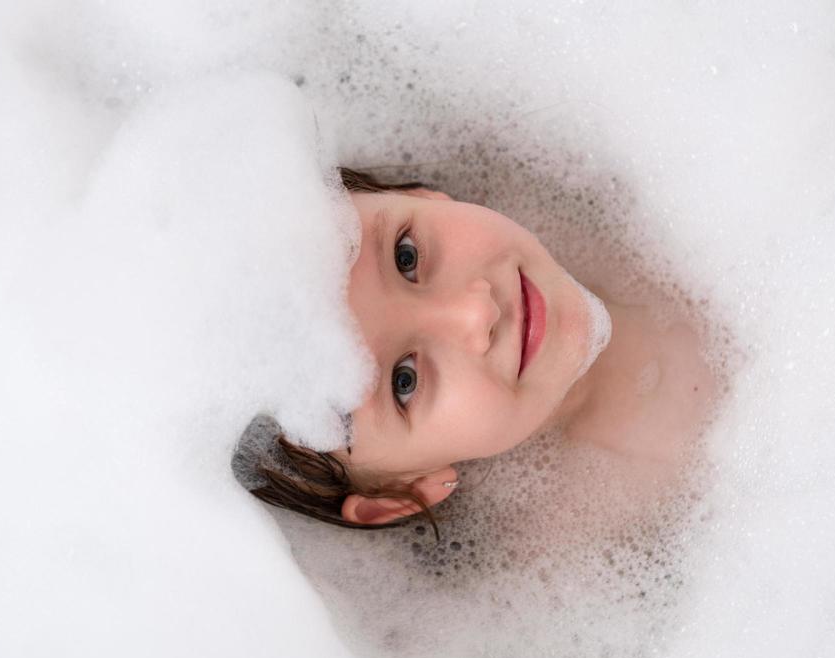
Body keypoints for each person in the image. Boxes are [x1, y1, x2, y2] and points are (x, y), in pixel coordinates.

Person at [240, 167, 717, 533]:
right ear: (404, 493)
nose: (476, 314)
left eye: (406, 257)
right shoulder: (606, 558)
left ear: (417, 197)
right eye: (403, 381)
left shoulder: (614, 166)